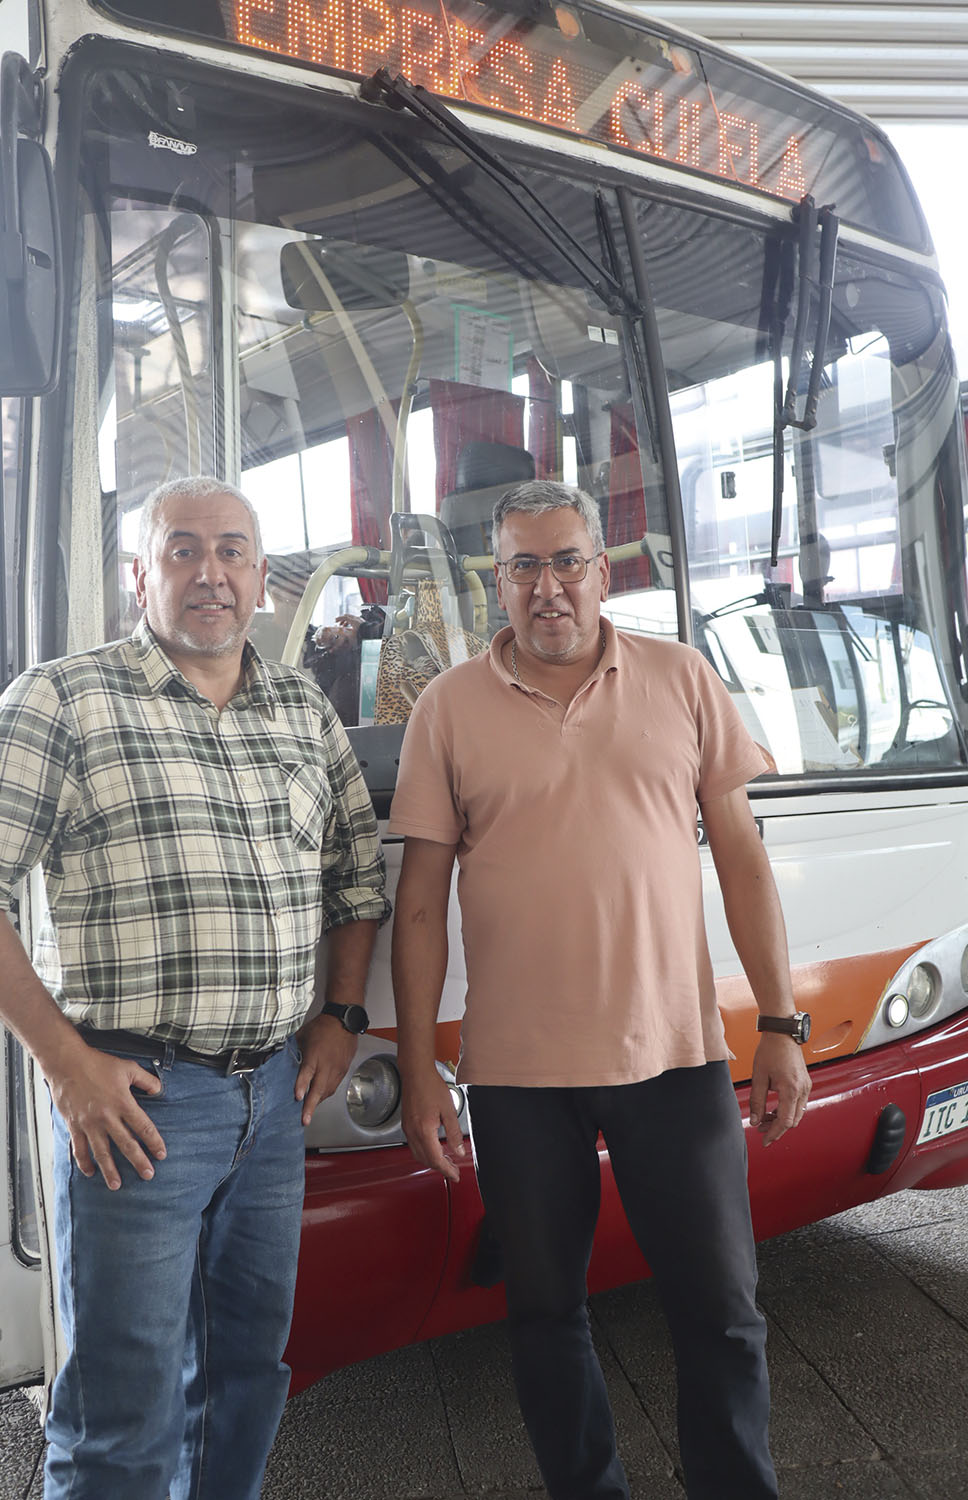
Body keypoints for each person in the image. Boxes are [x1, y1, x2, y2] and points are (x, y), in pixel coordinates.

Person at [0, 476, 390, 1500]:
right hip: (138, 1103)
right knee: (122, 1407)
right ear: (139, 572)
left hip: (275, 1101)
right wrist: (67, 1067)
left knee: (247, 1374)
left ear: (262, 577)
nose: (212, 573)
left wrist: (340, 1016)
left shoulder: (299, 708)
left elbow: (356, 875)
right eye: (185, 549)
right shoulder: (61, 700)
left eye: (234, 551)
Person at [389, 480, 811, 1500]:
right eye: (524, 566)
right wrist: (417, 1071)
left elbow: (744, 859)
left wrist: (782, 1023)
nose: (547, 588)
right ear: (498, 581)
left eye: (566, 560)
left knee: (721, 1309)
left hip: (674, 1054)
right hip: (518, 1075)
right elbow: (417, 905)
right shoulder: (446, 709)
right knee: (543, 1313)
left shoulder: (679, 679)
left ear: (603, 570)